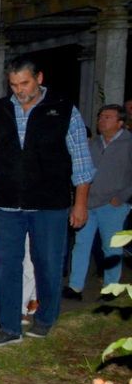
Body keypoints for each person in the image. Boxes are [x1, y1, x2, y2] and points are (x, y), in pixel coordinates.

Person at [0, 56, 95, 346]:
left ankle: (45, 319)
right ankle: (9, 327)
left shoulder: (64, 109)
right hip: (6, 203)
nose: (19, 90)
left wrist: (80, 203)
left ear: (39, 78)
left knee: (48, 263)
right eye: (14, 84)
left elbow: (81, 161)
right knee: (6, 266)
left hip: (49, 204)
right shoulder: (0, 110)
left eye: (24, 83)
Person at [64, 104, 131, 300]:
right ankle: (75, 287)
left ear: (120, 123)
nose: (101, 120)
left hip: (113, 205)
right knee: (81, 244)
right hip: (88, 203)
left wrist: (124, 196)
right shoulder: (93, 144)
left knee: (112, 246)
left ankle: (111, 286)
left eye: (107, 117)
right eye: (100, 116)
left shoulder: (129, 144)